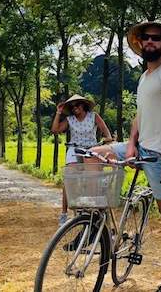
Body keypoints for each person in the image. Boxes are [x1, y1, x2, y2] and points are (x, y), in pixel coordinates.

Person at [90, 21, 161, 292]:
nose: (150, 42)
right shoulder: (146, 77)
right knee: (93, 154)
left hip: (160, 156)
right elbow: (140, 115)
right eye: (146, 38)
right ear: (140, 42)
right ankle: (97, 222)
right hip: (141, 147)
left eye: (156, 39)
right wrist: (131, 144)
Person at [51, 94, 113, 225]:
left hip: (91, 149)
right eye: (72, 106)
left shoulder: (94, 116)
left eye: (77, 105)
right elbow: (55, 130)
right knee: (69, 178)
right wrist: (58, 112)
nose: (75, 108)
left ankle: (95, 210)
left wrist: (107, 139)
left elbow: (105, 132)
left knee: (93, 178)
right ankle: (63, 213)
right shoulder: (70, 119)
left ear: (83, 105)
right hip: (74, 149)